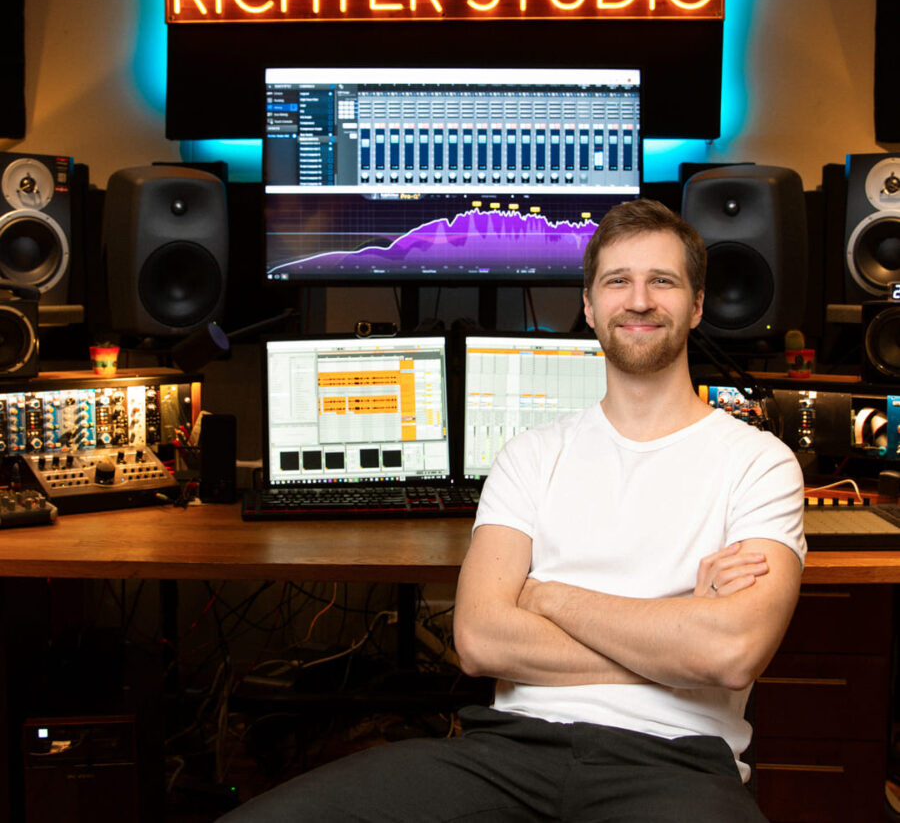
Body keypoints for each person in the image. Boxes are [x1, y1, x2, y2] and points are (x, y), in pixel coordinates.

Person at [220, 198, 806, 822]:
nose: (639, 300)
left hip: (676, 766)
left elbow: (729, 654)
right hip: (507, 754)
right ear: (589, 305)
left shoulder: (759, 464)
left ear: (697, 305)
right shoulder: (529, 455)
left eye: (661, 281)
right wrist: (677, 637)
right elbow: (479, 640)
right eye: (617, 281)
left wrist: (547, 598)